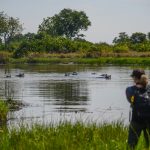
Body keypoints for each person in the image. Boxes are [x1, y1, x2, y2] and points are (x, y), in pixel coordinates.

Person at [126, 69, 150, 149]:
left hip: (136, 120)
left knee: (131, 145)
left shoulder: (129, 89)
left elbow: (130, 101)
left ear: (135, 78)